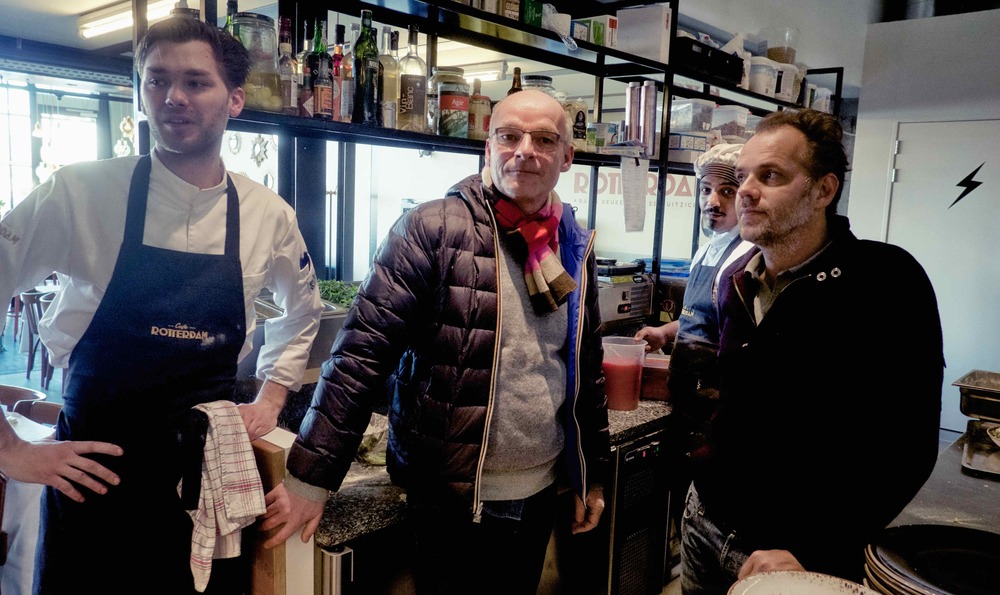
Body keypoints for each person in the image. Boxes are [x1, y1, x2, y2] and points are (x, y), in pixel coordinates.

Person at [0, 16, 323, 595]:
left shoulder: (267, 214)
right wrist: (8, 449)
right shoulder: (79, 192)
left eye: (196, 82)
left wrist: (274, 395)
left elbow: (302, 311)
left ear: (236, 100)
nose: (174, 96)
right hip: (92, 475)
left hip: (205, 483)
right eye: (157, 81)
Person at [261, 89, 610, 595]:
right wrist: (310, 480)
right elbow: (360, 356)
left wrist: (589, 473)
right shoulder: (432, 229)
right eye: (509, 136)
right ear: (487, 148)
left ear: (566, 156)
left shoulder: (573, 242)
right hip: (451, 498)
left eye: (544, 139)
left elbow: (585, 365)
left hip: (540, 490)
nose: (524, 150)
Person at [680, 109, 944, 593]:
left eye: (771, 175)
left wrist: (816, 546)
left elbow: (908, 447)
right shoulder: (739, 277)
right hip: (704, 525)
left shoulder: (887, 283)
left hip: (795, 555)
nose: (745, 190)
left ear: (824, 190)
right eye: (742, 176)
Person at [633, 142, 752, 546]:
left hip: (713, 414)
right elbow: (698, 318)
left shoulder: (747, 256)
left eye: (726, 191)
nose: (712, 202)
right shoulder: (709, 247)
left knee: (704, 508)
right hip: (685, 403)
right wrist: (664, 334)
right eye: (705, 190)